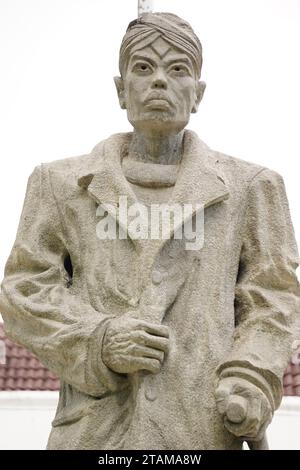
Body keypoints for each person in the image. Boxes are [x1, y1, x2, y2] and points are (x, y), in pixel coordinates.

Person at [0, 12, 299, 450]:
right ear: (121, 90)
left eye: (178, 69)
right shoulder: (58, 185)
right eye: (143, 68)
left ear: (197, 94)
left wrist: (251, 373)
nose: (159, 80)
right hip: (95, 433)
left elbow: (274, 297)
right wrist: (99, 340)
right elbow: (24, 290)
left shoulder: (252, 189)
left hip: (202, 430)